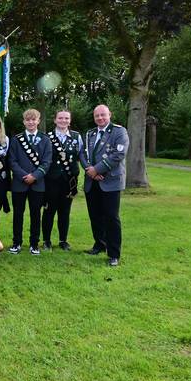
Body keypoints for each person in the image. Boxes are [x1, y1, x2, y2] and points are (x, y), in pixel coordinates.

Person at [80, 104, 129, 266]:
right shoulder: (90, 133)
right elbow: (83, 153)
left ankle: (114, 254)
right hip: (91, 181)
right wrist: (90, 171)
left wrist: (97, 169)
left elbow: (118, 154)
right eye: (97, 116)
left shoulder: (119, 131)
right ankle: (99, 244)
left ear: (110, 115)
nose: (100, 118)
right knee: (95, 216)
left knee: (111, 218)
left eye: (103, 115)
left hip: (110, 182)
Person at [8, 108, 52, 255]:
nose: (31, 122)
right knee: (18, 215)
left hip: (37, 183)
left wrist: (34, 176)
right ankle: (17, 243)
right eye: (28, 120)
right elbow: (12, 161)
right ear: (24, 122)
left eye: (33, 119)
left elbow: (47, 162)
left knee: (35, 215)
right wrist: (24, 176)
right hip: (19, 183)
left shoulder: (45, 139)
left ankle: (34, 244)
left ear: (38, 121)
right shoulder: (16, 139)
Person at [41, 110, 83, 251]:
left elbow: (81, 156)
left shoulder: (76, 137)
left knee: (65, 211)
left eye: (66, 118)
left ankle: (63, 240)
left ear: (70, 121)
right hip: (51, 180)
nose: (63, 120)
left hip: (69, 181)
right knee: (49, 211)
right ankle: (46, 241)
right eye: (60, 118)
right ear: (55, 120)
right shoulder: (47, 137)